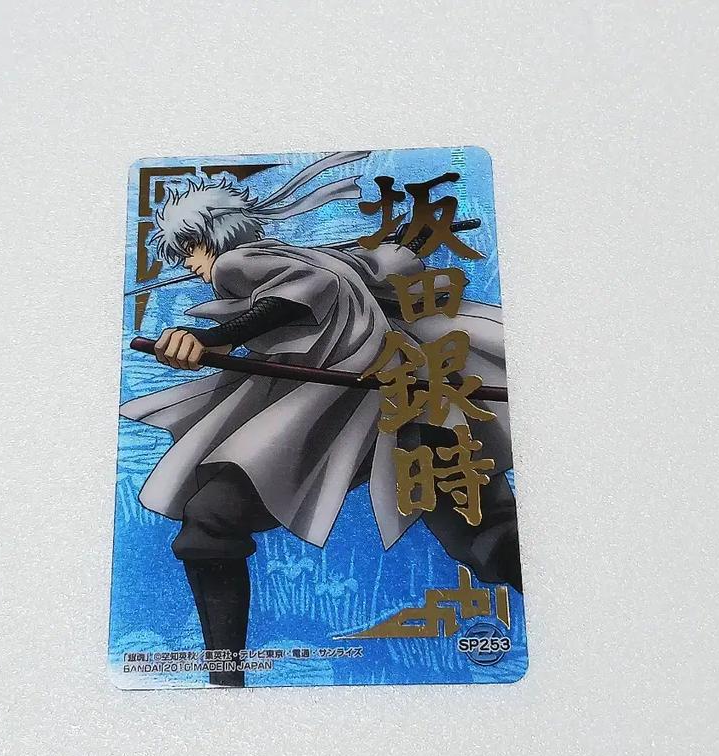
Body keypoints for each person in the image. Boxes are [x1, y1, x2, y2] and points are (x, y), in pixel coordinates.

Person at [121, 153, 520, 686]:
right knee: (484, 535)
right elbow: (390, 265)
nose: (190, 266)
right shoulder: (321, 255)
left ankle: (224, 681)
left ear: (207, 237)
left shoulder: (237, 263)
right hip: (415, 409)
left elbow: (310, 288)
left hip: (350, 411)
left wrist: (215, 336)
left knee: (209, 522)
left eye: (187, 250)